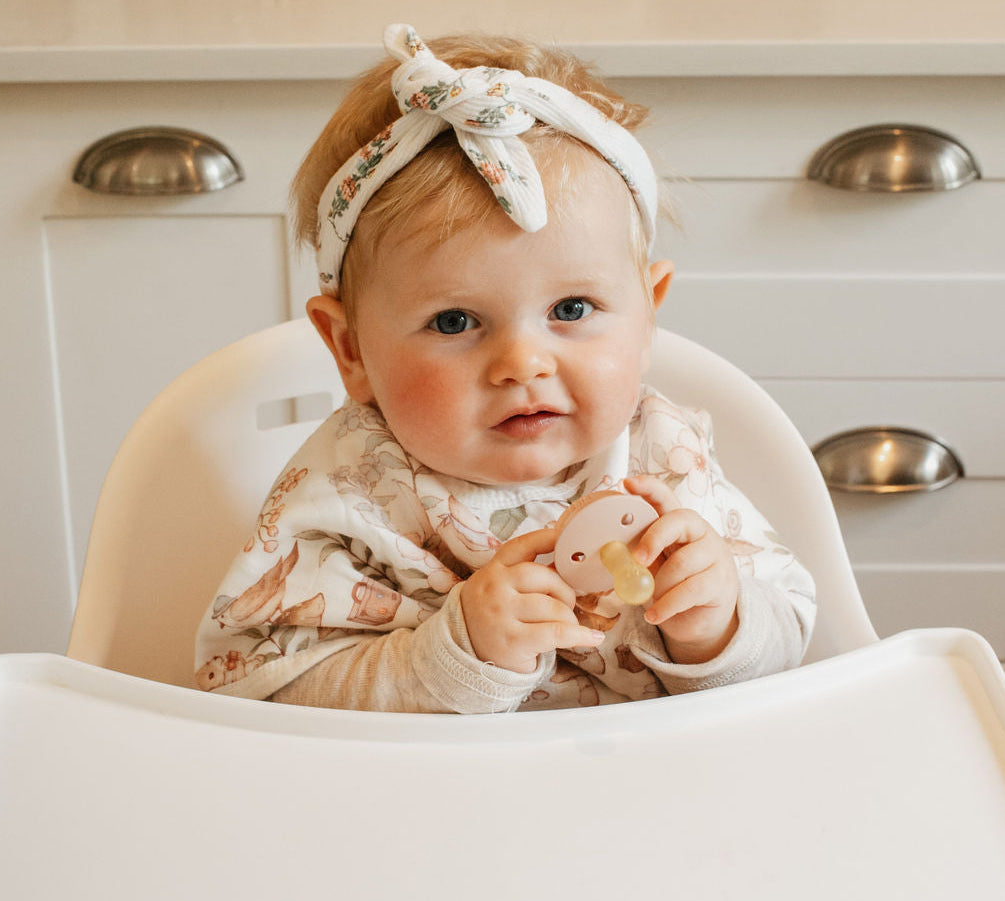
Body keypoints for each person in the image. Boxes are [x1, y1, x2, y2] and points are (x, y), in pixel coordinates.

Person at [193, 23, 816, 712]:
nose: (522, 363)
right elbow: (256, 693)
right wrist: (452, 658)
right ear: (350, 349)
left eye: (572, 308)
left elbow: (789, 656)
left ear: (647, 314)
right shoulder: (348, 497)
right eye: (455, 322)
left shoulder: (664, 458)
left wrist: (719, 626)